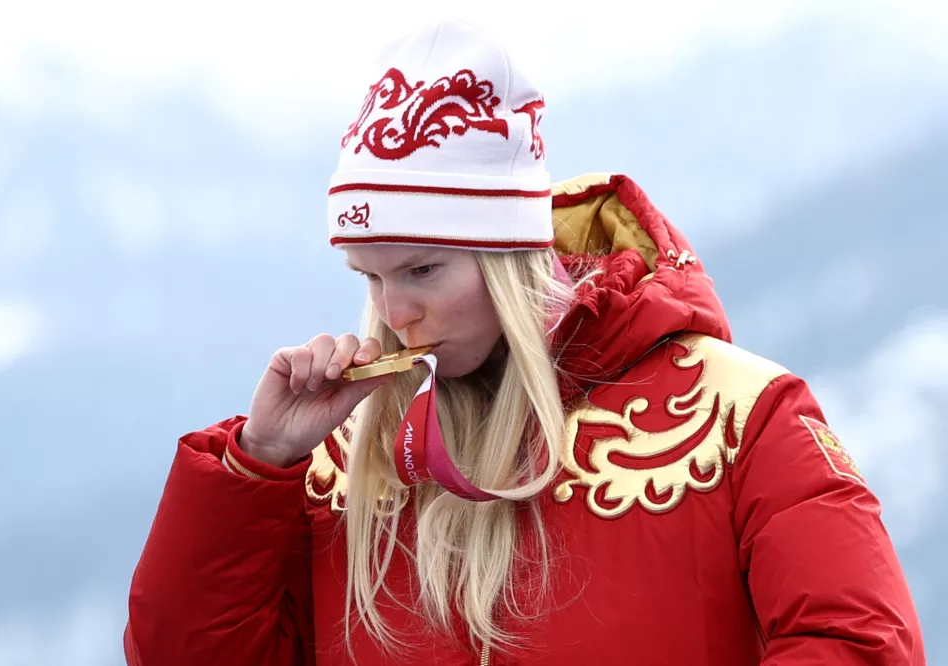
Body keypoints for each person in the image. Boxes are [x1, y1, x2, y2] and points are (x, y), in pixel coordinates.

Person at [124, 18, 926, 666]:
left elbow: (861, 645)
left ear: (510, 256)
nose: (393, 312)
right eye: (369, 278)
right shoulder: (343, 460)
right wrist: (257, 462)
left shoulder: (739, 419)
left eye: (423, 271)